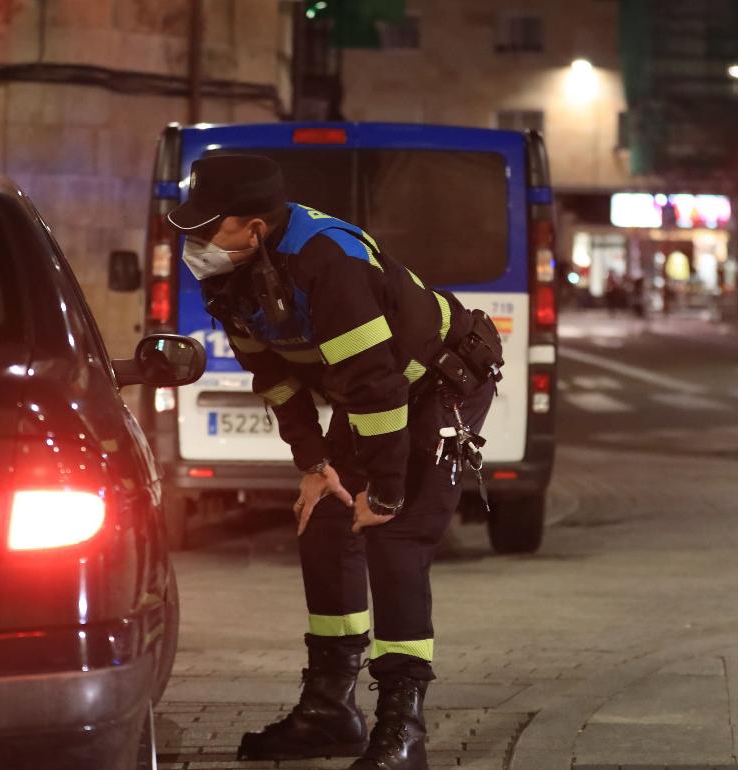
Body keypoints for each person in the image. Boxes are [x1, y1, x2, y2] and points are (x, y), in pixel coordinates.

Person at [166, 154, 502, 770]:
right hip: (377, 393)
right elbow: (272, 376)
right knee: (325, 519)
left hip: (439, 382)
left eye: (210, 228)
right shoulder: (230, 275)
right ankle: (329, 711)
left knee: (393, 534)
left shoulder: (330, 262)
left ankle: (403, 729)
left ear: (255, 228)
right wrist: (315, 463)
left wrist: (387, 491)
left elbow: (378, 389)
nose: (197, 243)